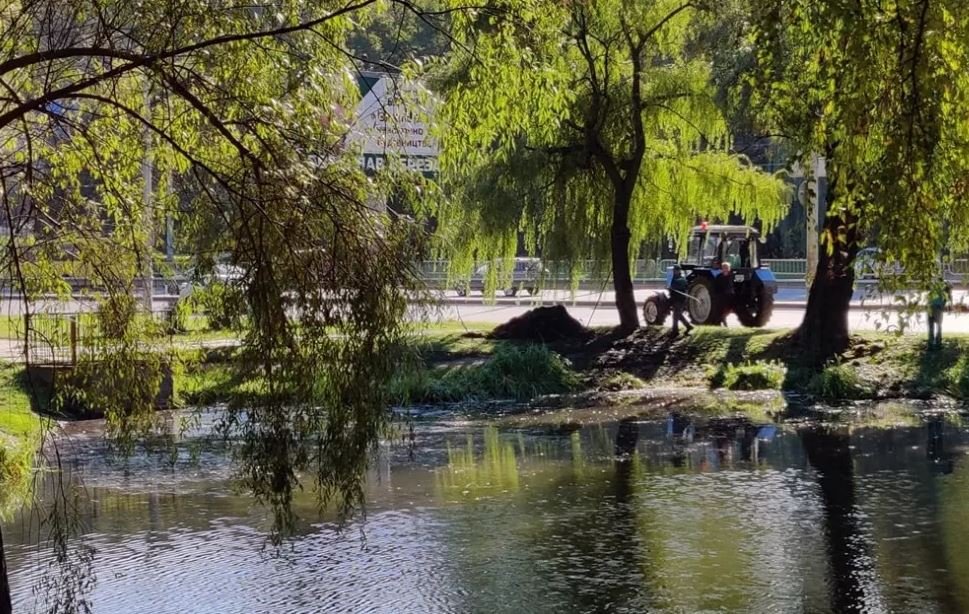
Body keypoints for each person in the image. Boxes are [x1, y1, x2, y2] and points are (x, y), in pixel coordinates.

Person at [927, 280, 952, 349]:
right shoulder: (945, 292)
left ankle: (930, 344)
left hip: (930, 308)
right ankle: (938, 343)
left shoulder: (935, 290)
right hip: (937, 309)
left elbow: (929, 298)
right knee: (939, 326)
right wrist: (948, 309)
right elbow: (948, 302)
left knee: (931, 327)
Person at [669, 265, 693, 335]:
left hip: (679, 299)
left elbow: (682, 285)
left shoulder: (681, 279)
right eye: (674, 270)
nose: (674, 271)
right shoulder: (673, 278)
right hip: (675, 299)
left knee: (676, 315)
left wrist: (672, 287)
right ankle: (687, 326)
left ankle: (675, 330)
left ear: (679, 271)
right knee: (677, 315)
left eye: (676, 270)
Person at [714, 261, 734, 326]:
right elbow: (716, 287)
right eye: (724, 268)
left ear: (729, 268)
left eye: (727, 268)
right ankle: (721, 322)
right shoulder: (719, 277)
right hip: (721, 296)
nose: (725, 269)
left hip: (730, 295)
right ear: (722, 269)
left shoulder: (732, 276)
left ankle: (723, 318)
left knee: (729, 309)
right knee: (720, 310)